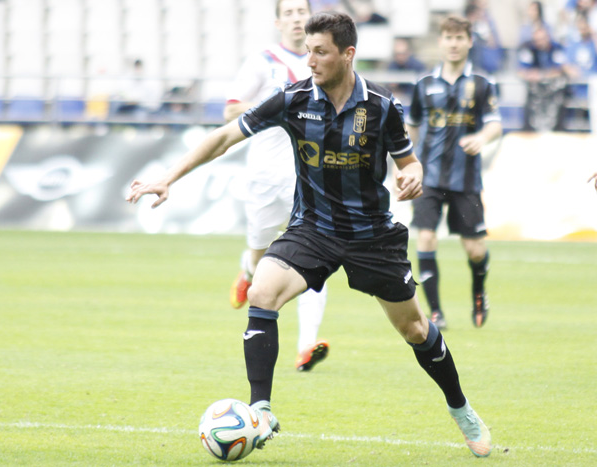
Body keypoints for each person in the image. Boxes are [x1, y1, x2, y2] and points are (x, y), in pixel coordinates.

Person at [126, 11, 492, 459]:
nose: (310, 60)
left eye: (320, 52)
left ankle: (460, 408)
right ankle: (260, 411)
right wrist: (167, 177)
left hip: (371, 234)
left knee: (415, 329)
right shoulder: (292, 99)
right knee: (261, 291)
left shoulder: (382, 105)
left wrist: (412, 176)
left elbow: (408, 161)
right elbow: (224, 137)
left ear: (347, 54)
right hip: (313, 228)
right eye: (307, 51)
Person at [226, 0, 330, 372]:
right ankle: (248, 269)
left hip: (312, 177)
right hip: (267, 177)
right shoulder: (263, 61)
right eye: (289, 13)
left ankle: (306, 346)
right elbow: (230, 109)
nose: (297, 18)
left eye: (302, 11)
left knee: (317, 257)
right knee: (261, 255)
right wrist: (273, 106)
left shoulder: (325, 59)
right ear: (278, 22)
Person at [405, 15, 503, 330]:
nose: (454, 44)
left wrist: (481, 138)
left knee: (474, 249)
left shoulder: (482, 83)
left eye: (460, 38)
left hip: (466, 179)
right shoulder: (423, 84)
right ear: (441, 42)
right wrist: (406, 166)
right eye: (449, 38)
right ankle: (435, 312)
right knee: (426, 237)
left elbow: (495, 124)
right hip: (429, 177)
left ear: (469, 42)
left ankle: (479, 292)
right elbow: (412, 128)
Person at [517, 24, 570, 131]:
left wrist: (541, 75)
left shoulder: (556, 48)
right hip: (534, 95)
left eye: (542, 39)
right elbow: (521, 71)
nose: (539, 42)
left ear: (548, 37)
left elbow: (560, 70)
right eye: (537, 40)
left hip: (554, 94)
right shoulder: (528, 48)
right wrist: (532, 75)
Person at [386, 37, 426, 101]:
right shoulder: (392, 66)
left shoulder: (417, 66)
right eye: (397, 54)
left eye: (403, 54)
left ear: (408, 52)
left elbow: (421, 89)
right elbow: (388, 88)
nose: (400, 57)